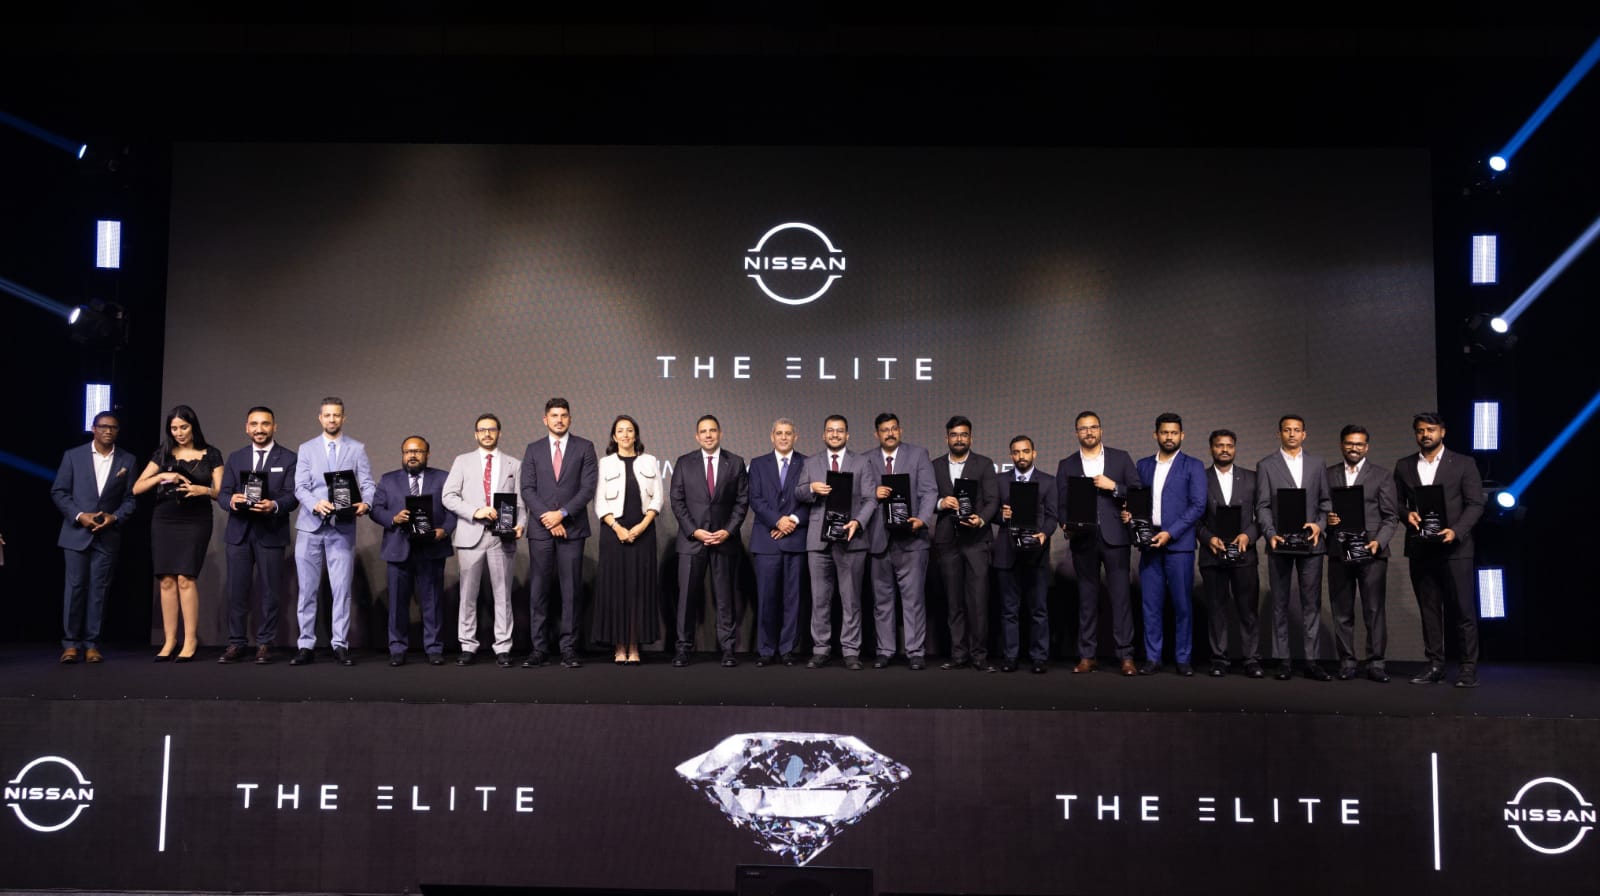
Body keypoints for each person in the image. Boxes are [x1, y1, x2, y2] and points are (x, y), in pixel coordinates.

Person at [1394, 412, 1485, 688]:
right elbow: (1395, 502)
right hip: (1421, 547)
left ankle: (1468, 668)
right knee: (1429, 610)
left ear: (1442, 432)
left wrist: (1456, 531)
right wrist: (1406, 514)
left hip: (1455, 547)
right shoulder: (1404, 465)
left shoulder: (1464, 463)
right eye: (1420, 430)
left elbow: (1476, 503)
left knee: (1463, 610)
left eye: (1431, 429)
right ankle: (1435, 665)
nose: (1426, 434)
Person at [132, 405, 224, 662]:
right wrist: (163, 475)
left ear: (193, 426)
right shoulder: (162, 453)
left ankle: (190, 639)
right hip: (165, 518)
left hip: (196, 519)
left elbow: (221, 493)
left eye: (183, 427)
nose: (179, 432)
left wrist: (202, 490)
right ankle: (170, 639)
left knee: (185, 577)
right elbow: (137, 488)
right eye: (174, 428)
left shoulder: (211, 454)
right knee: (166, 580)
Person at [1054, 411, 1142, 676]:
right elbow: (1061, 504)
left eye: (1093, 427)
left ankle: (1126, 656)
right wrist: (1065, 525)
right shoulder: (1067, 464)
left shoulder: (1120, 458)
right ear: (1076, 433)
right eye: (1083, 428)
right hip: (1083, 539)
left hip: (1116, 537)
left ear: (1101, 430)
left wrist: (1113, 485)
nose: (1089, 432)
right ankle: (1087, 656)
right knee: (1087, 599)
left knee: (1121, 599)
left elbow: (1137, 492)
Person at [290, 397, 376, 666]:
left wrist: (366, 503)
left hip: (342, 526)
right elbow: (300, 487)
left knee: (342, 590)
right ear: (320, 418)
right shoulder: (307, 449)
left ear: (343, 418)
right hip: (310, 526)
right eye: (327, 415)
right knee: (307, 590)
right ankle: (306, 644)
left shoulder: (357, 448)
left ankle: (340, 644)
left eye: (336, 415)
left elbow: (367, 484)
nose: (331, 419)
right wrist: (315, 504)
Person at [50, 411, 137, 663]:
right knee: (75, 589)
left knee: (99, 591)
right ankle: (70, 645)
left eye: (113, 427)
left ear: (118, 431)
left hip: (107, 535)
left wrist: (115, 517)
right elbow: (59, 491)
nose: (108, 431)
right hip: (76, 533)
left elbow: (131, 499)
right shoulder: (73, 456)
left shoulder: (128, 460)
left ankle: (92, 645)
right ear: (93, 428)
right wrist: (79, 516)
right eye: (103, 426)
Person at [795, 415, 879, 670]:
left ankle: (851, 650)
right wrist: (811, 488)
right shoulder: (811, 463)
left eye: (839, 431)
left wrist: (858, 522)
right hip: (818, 542)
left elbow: (871, 499)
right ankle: (820, 649)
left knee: (851, 600)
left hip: (851, 539)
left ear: (847, 435)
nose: (834, 434)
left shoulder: (862, 462)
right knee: (820, 599)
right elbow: (798, 492)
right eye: (830, 431)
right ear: (823, 435)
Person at [519, 398, 598, 669]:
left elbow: (588, 488)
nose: (559, 420)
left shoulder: (584, 447)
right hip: (541, 530)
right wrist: (549, 518)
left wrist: (562, 514)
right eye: (554, 415)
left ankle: (569, 649)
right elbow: (527, 489)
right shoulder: (533, 449)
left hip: (572, 529)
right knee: (538, 591)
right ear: (545, 419)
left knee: (571, 590)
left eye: (564, 415)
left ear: (570, 419)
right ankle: (538, 649)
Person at [217, 407, 298, 664]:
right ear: (247, 428)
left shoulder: (289, 458)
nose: (259, 429)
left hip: (271, 531)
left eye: (265, 424)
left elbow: (293, 495)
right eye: (254, 424)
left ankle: (264, 643)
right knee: (236, 591)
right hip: (239, 533)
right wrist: (232, 500)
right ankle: (236, 643)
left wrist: (274, 505)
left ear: (274, 427)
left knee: (271, 593)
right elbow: (222, 493)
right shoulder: (236, 457)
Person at [443, 414, 526, 667]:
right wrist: (475, 511)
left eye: (491, 429)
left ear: (499, 433)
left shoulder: (514, 464)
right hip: (471, 533)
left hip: (502, 537)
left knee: (503, 595)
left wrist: (521, 524)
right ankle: (468, 646)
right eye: (482, 430)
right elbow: (448, 496)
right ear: (475, 434)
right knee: (468, 595)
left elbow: (520, 503)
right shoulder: (462, 461)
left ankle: (503, 647)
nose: (487, 434)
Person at [1255, 414, 1332, 681]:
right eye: (1287, 430)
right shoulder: (1266, 465)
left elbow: (1325, 502)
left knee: (1311, 603)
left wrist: (1319, 525)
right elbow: (1262, 505)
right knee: (1279, 603)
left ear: (1304, 434)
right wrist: (1270, 534)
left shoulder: (1317, 464)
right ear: (1279, 434)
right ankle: (1283, 660)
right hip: (1280, 542)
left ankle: (1311, 661)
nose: (1291, 434)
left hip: (1311, 543)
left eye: (1296, 430)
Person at [669, 414, 749, 667]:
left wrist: (728, 530)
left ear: (720, 433)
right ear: (697, 436)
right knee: (686, 599)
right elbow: (677, 501)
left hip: (724, 541)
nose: (708, 435)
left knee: (725, 598)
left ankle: (728, 649)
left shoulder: (735, 462)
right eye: (703, 431)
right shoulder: (684, 463)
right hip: (692, 541)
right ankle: (683, 648)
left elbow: (742, 501)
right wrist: (694, 531)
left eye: (712, 430)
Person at [1131, 413, 1208, 676]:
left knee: (1182, 605)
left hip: (1179, 545)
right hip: (1149, 543)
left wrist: (1170, 533)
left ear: (1182, 435)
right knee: (1150, 605)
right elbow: (1137, 500)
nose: (1169, 437)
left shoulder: (1193, 465)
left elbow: (1198, 505)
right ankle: (1153, 658)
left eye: (1174, 433)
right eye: (1164, 432)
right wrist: (1131, 516)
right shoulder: (1143, 465)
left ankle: (1183, 658)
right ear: (1156, 435)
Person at [370, 436, 456, 666]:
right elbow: (375, 510)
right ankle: (397, 648)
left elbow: (453, 510)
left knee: (433, 602)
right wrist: (393, 518)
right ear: (403, 454)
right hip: (398, 549)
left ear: (427, 454)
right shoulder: (388, 480)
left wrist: (445, 530)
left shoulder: (443, 478)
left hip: (432, 548)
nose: (412, 456)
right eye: (408, 452)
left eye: (418, 451)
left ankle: (434, 648)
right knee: (397, 604)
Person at [1324, 425, 1399, 682]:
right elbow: (1319, 510)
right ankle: (1347, 662)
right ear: (1341, 445)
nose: (1353, 448)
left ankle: (1376, 663)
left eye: (1358, 444)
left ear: (1366, 447)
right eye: (1349, 443)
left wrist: (1379, 542)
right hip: (1338, 550)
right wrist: (1327, 519)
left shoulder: (1382, 475)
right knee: (1341, 610)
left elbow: (1391, 517)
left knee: (1374, 610)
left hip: (1372, 552)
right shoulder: (1328, 474)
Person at [863, 413, 938, 670]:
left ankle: (915, 651)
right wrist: (872, 492)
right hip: (878, 539)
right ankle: (885, 650)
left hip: (912, 539)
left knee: (914, 600)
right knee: (882, 601)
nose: (890, 433)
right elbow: (859, 495)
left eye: (894, 428)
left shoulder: (918, 455)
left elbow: (929, 491)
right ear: (877, 434)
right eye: (885, 430)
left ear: (900, 431)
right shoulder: (866, 459)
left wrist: (923, 519)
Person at [592, 414, 663, 665]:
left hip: (643, 533)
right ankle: (619, 646)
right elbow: (599, 501)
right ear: (614, 436)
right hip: (614, 535)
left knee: (637, 590)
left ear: (636, 435)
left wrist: (642, 526)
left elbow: (658, 498)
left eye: (630, 430)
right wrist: (618, 528)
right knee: (616, 590)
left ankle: (634, 646)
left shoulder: (650, 461)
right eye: (620, 431)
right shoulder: (605, 463)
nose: (625, 435)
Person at [932, 415, 999, 672]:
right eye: (954, 435)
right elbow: (927, 497)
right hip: (947, 541)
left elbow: (992, 500)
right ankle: (958, 655)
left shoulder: (984, 464)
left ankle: (979, 656)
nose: (959, 439)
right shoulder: (935, 465)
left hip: (976, 541)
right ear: (946, 438)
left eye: (963, 434)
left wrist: (980, 519)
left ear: (971, 437)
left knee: (978, 602)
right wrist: (941, 503)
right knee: (954, 602)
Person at [1195, 429, 1263, 677]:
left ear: (1235, 448)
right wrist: (1208, 538)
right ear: (1211, 448)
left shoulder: (1252, 478)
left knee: (1248, 610)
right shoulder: (1200, 478)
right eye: (1219, 445)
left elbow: (1263, 515)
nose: (1224, 450)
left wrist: (1248, 536)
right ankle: (1219, 660)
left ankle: (1251, 660)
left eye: (1229, 445)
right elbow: (1193, 516)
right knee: (1216, 610)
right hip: (1213, 554)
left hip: (1244, 554)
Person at [992, 435, 1058, 674]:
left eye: (1026, 451)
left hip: (1036, 553)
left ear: (1034, 453)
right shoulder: (999, 481)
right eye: (1017, 452)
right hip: (1007, 553)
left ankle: (1039, 657)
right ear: (1011, 455)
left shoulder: (1048, 482)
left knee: (1038, 609)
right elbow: (990, 513)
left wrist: (1044, 534)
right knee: (1009, 610)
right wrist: (1002, 516)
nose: (1021, 456)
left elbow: (1052, 516)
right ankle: (1010, 656)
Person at [747, 418, 808, 666]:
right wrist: (777, 521)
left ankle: (787, 649)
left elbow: (811, 500)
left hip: (796, 539)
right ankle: (766, 649)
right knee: (766, 598)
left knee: (793, 599)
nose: (784, 437)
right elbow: (755, 498)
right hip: (766, 541)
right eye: (779, 433)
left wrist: (791, 521)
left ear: (795, 437)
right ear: (772, 436)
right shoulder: (758, 464)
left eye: (788, 433)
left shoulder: (807, 463)